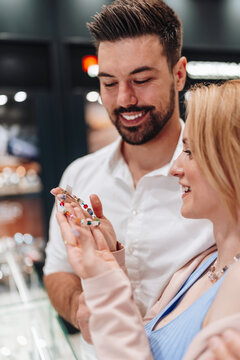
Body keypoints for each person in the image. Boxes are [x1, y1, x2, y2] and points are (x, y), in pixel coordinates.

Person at [43, 0, 213, 357]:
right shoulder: (79, 174)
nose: (124, 99)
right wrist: (79, 308)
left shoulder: (218, 180)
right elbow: (56, 271)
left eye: (142, 79)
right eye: (109, 83)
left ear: (179, 74)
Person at [56, 79, 240, 360]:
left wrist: (103, 277)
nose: (175, 168)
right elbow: (142, 340)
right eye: (108, 82)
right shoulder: (201, 265)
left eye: (190, 151)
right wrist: (107, 262)